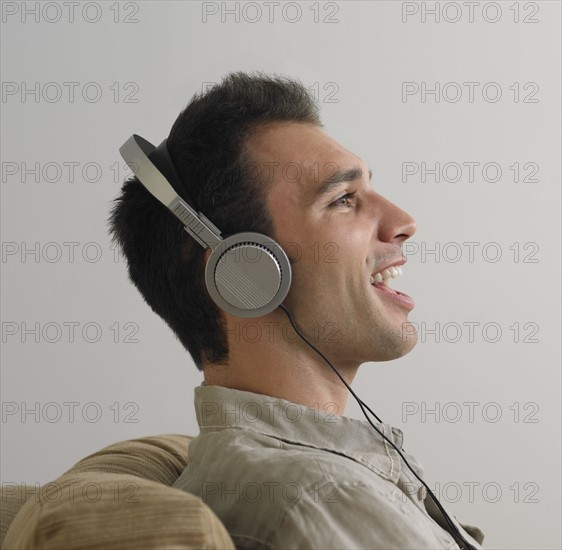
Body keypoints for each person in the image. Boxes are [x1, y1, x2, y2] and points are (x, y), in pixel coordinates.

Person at [108, 71, 485, 549]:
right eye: (343, 199)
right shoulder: (324, 499)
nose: (404, 223)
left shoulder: (292, 480)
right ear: (244, 273)